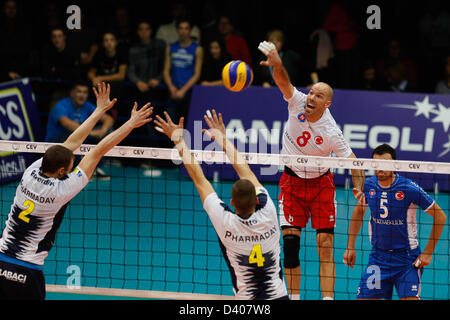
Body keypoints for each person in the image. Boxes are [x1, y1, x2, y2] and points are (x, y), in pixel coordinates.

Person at [0, 83, 153, 300]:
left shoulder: (31, 170)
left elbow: (70, 142)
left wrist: (99, 110)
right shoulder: (62, 189)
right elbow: (99, 150)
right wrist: (130, 124)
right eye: (73, 163)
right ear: (62, 170)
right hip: (27, 271)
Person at [258, 40, 365, 300]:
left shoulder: (331, 131)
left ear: (326, 103)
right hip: (291, 184)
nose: (311, 97)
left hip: (321, 187)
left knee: (325, 245)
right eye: (311, 92)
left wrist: (359, 186)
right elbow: (283, 82)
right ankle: (293, 298)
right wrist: (278, 64)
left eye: (318, 95)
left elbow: (353, 160)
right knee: (291, 245)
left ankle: (327, 299)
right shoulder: (297, 103)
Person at [153, 109, 289, 300]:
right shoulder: (268, 211)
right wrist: (222, 138)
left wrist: (178, 139)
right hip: (280, 297)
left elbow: (199, 179)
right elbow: (246, 172)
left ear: (232, 202)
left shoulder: (225, 222)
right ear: (257, 200)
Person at [343, 144, 447, 300]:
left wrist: (427, 253)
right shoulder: (370, 185)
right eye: (376, 164)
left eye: (385, 163)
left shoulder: (408, 188)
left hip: (406, 260)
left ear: (394, 164)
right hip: (378, 259)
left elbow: (441, 216)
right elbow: (359, 211)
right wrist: (350, 246)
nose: (380, 168)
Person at [45, 81, 115, 180]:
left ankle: (93, 168)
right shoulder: (62, 105)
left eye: (85, 92)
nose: (82, 95)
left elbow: (108, 119)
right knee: (71, 133)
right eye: (79, 92)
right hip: (57, 141)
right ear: (72, 93)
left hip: (78, 139)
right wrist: (91, 133)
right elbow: (66, 123)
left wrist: (103, 130)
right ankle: (75, 169)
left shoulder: (88, 105)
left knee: (109, 132)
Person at [163, 18, 203, 122]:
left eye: (186, 28)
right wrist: (171, 88)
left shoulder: (197, 49)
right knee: (170, 124)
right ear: (177, 30)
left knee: (187, 124)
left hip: (189, 92)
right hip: (173, 91)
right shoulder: (170, 47)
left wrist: (183, 90)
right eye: (181, 28)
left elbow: (197, 74)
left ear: (190, 30)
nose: (183, 31)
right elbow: (166, 70)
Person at [88, 31, 128, 119]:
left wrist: (100, 78)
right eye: (106, 40)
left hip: (116, 90)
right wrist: (94, 78)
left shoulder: (121, 54)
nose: (109, 43)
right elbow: (90, 72)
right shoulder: (99, 54)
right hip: (100, 89)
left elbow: (121, 75)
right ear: (103, 43)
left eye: (111, 40)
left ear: (116, 42)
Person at [127, 21, 166, 108]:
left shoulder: (160, 45)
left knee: (157, 116)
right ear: (137, 32)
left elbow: (166, 66)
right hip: (139, 89)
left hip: (158, 88)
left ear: (151, 31)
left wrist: (158, 79)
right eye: (141, 29)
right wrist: (138, 82)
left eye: (147, 29)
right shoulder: (134, 49)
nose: (144, 32)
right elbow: (131, 70)